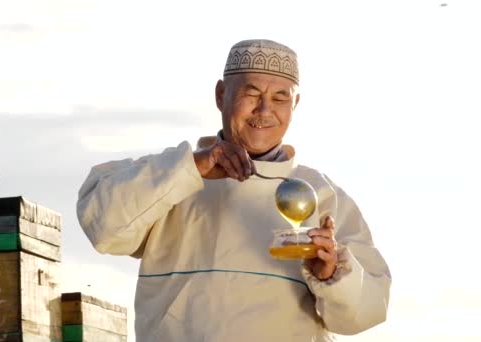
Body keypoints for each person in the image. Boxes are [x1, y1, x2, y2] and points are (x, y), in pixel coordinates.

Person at [77, 39, 391, 341]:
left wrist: (332, 274)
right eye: (251, 93)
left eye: (281, 98)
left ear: (295, 104)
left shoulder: (325, 198)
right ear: (221, 94)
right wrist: (191, 168)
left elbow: (367, 312)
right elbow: (103, 228)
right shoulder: (170, 174)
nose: (264, 110)